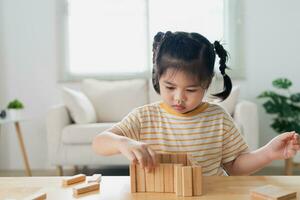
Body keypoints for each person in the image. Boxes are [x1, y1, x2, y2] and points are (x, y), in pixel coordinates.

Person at [92, 31, 300, 176]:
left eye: (190, 90)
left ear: (207, 83)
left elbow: (234, 167)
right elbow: (99, 142)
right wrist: (122, 142)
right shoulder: (143, 117)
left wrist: (268, 153)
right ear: (157, 78)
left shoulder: (217, 117)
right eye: (170, 87)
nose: (179, 98)